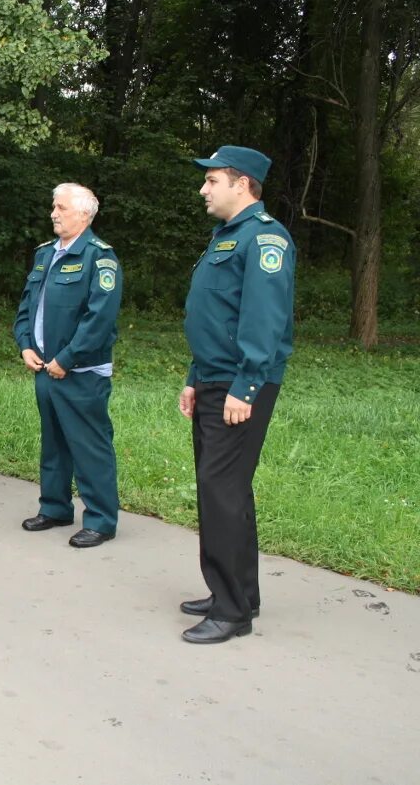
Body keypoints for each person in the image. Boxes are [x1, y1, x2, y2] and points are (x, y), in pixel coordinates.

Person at [178, 146, 295, 644]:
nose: (204, 189)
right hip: (213, 378)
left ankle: (231, 613)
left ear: (242, 184)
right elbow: (214, 317)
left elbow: (263, 321)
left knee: (219, 490)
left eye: (212, 181)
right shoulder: (225, 236)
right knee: (226, 490)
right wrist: (193, 376)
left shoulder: (265, 238)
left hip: (239, 384)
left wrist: (244, 386)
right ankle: (239, 592)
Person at [12, 184, 122, 548]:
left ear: (84, 215)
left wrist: (67, 359)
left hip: (81, 373)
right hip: (45, 367)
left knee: (89, 445)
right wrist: (25, 345)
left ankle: (101, 519)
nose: (53, 213)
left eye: (61, 208)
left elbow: (99, 320)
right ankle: (55, 507)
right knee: (54, 443)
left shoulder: (99, 258)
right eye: (53, 207)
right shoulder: (45, 255)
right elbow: (27, 307)